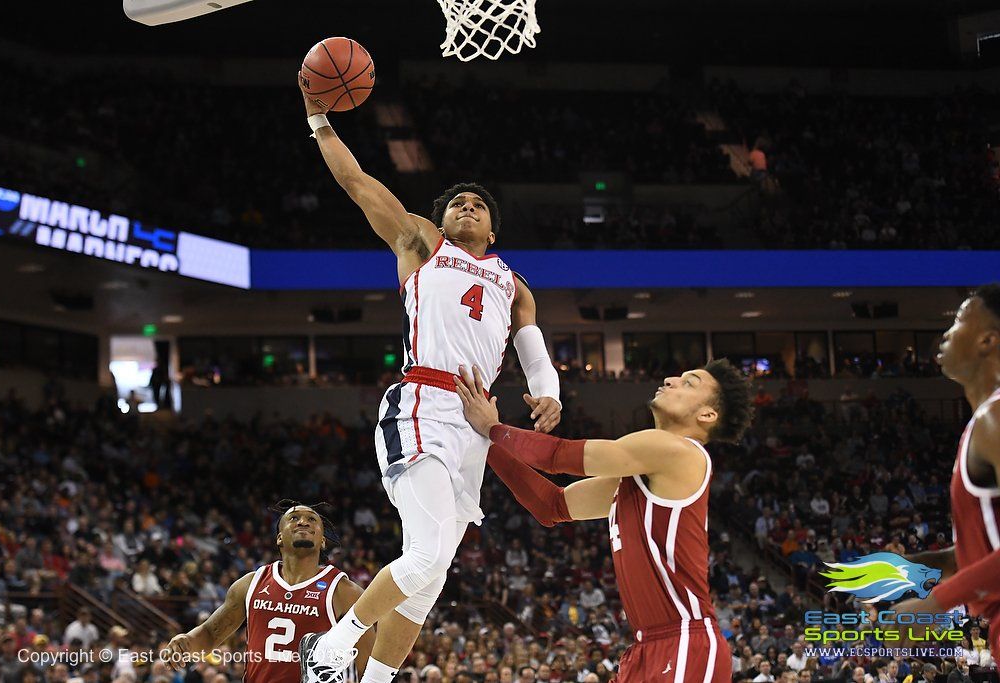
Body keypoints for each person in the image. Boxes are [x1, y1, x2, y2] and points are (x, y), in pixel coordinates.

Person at [296, 74, 562, 683]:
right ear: (440, 219)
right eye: (456, 204)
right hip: (421, 402)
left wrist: (549, 394)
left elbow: (532, 348)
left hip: (476, 425)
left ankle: (375, 679)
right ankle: (331, 650)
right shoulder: (422, 243)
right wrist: (319, 121)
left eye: (478, 205)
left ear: (492, 231)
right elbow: (357, 183)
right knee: (425, 555)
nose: (466, 207)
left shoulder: (515, 284)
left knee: (432, 575)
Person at [452, 359, 754, 682]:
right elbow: (550, 505)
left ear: (707, 415)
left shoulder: (681, 451)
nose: (670, 379)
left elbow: (557, 456)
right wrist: (486, 444)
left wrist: (492, 428)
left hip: (686, 643)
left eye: (689, 382)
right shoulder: (637, 476)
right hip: (645, 648)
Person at [890, 285, 1000, 651]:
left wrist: (934, 603)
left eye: (959, 320)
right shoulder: (981, 422)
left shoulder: (996, 416)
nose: (947, 333)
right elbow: (983, 553)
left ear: (987, 340)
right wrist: (914, 566)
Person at [161, 503, 373, 683]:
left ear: (323, 541)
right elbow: (210, 634)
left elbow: (369, 663)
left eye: (312, 519)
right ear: (279, 538)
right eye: (294, 518)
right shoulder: (250, 584)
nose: (303, 522)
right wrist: (186, 641)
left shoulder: (343, 591)